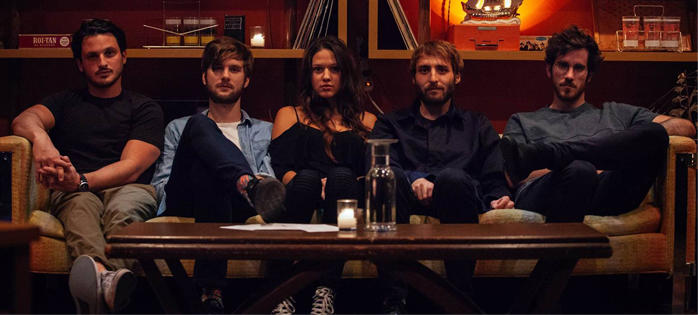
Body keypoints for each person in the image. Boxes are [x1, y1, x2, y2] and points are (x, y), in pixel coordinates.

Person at [11, 19, 164, 314]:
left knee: (125, 209)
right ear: (80, 65)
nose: (102, 62)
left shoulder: (144, 108)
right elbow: (23, 120)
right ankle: (106, 285)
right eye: (92, 56)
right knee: (79, 207)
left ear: (124, 56)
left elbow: (131, 167)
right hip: (74, 192)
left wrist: (80, 180)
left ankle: (95, 286)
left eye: (110, 53)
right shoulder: (65, 102)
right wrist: (41, 139)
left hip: (128, 187)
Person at [368, 40, 513, 314]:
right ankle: (393, 303)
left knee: (452, 179)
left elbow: (493, 175)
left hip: (458, 198)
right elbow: (375, 165)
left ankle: (460, 301)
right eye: (424, 70)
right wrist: (414, 179)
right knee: (387, 177)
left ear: (456, 76)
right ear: (413, 77)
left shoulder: (476, 124)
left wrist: (499, 197)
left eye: (442, 70)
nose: (433, 78)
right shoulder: (390, 123)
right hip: (403, 199)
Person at [501, 25, 696, 223]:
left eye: (579, 68)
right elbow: (514, 175)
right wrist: (593, 166)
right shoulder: (522, 120)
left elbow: (686, 127)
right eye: (563, 65)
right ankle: (567, 160)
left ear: (589, 76)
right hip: (546, 193)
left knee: (655, 133)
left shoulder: (616, 113)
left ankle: (554, 154)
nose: (569, 75)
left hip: (609, 192)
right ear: (549, 70)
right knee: (580, 170)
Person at [151, 37, 285, 313]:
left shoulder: (264, 130)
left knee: (208, 174)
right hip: (187, 200)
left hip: (241, 203)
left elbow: (269, 180)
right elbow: (162, 185)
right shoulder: (179, 128)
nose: (225, 76)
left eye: (234, 69)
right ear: (204, 76)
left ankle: (211, 292)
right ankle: (244, 183)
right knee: (198, 124)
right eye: (217, 68)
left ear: (246, 80)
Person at [269, 37, 376, 315]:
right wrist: (317, 185)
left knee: (342, 177)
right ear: (309, 75)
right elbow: (281, 169)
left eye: (334, 69)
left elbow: (370, 174)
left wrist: (341, 183)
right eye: (318, 69)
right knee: (307, 178)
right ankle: (281, 291)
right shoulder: (289, 115)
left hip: (347, 198)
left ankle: (326, 289)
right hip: (301, 192)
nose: (326, 76)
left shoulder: (367, 121)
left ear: (345, 74)